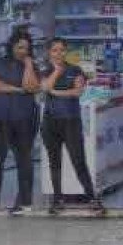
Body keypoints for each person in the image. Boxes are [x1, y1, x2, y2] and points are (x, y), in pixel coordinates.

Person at [0, 27, 40, 216]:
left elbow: (32, 86)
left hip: (24, 119)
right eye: (20, 47)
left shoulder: (32, 66)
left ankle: (24, 202)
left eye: (26, 48)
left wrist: (29, 65)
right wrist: (16, 89)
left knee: (24, 160)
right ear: (11, 46)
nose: (23, 51)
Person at [39, 39, 105, 215]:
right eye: (54, 50)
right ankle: (57, 199)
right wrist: (56, 72)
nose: (58, 54)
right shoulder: (45, 70)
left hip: (71, 121)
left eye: (61, 50)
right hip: (50, 123)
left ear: (66, 52)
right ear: (49, 53)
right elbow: (45, 88)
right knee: (55, 162)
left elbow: (78, 91)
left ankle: (92, 197)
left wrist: (57, 92)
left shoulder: (75, 70)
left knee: (79, 161)